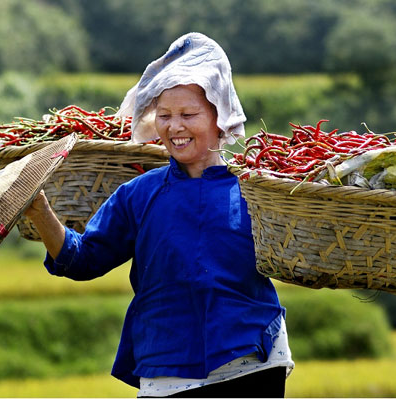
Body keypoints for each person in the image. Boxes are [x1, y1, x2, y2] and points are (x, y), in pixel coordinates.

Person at [24, 32, 294, 398]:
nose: (174, 127)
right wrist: (40, 211)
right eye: (164, 116)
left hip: (252, 362)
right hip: (168, 366)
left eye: (188, 114)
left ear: (220, 117)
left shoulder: (255, 189)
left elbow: (297, 255)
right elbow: (81, 259)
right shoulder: (139, 194)